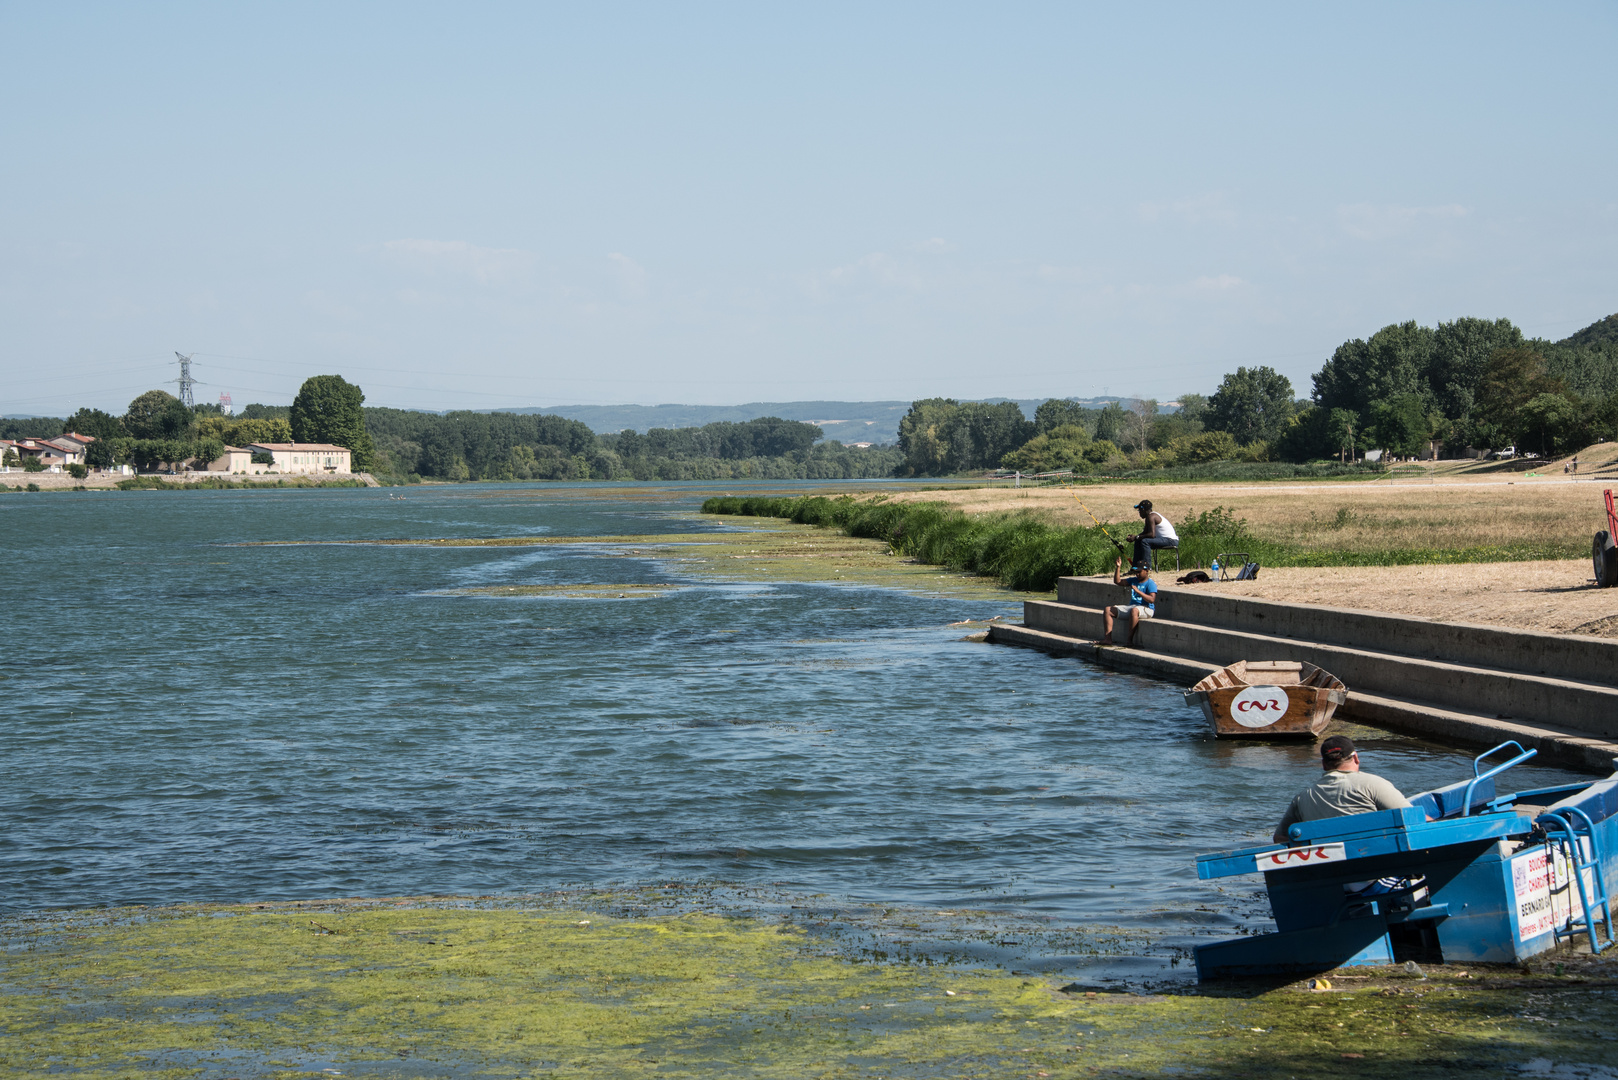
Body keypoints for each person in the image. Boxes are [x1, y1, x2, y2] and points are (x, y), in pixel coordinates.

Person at [1272, 736, 1414, 843]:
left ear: (1324, 764)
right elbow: (1412, 818)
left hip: (1328, 869)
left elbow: (1279, 837)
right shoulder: (1372, 784)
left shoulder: (1302, 798)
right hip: (1375, 865)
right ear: (1356, 757)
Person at [1100, 556, 1156, 647]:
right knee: (1108, 610)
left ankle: (1129, 641)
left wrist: (1138, 591)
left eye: (1139, 572)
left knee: (1134, 610)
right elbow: (1117, 581)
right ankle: (1107, 639)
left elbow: (1152, 599)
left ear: (1146, 571)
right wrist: (1118, 567)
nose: (1137, 574)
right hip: (1133, 607)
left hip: (1147, 609)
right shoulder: (1133, 580)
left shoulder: (1150, 583)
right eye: (1136, 572)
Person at [1128, 499, 1178, 568]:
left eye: (1139, 510)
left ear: (1143, 510)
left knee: (1145, 542)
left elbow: (1152, 535)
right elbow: (1145, 533)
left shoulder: (1151, 517)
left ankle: (1147, 568)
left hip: (1170, 541)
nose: (1139, 513)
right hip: (1164, 539)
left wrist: (1137, 537)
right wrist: (1135, 537)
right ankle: (1136, 568)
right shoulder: (1149, 516)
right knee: (1139, 541)